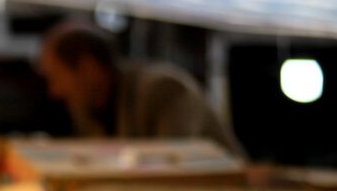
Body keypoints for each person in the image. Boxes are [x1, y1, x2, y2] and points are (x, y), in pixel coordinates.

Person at [39, 19, 245, 156]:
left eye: (55, 78)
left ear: (88, 69)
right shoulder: (89, 113)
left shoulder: (163, 91)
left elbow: (174, 174)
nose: (54, 92)